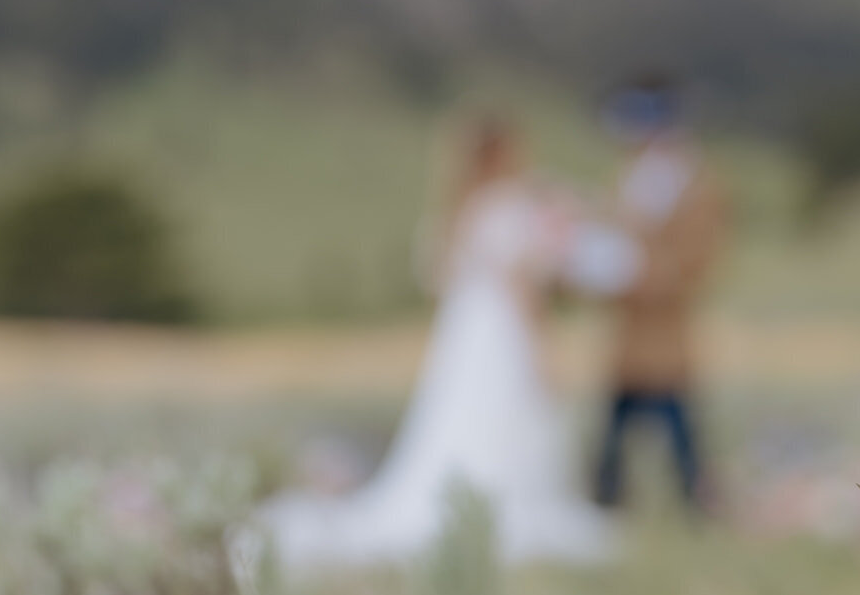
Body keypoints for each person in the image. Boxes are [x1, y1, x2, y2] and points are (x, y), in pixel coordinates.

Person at [260, 119, 631, 570]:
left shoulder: (463, 208)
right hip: (503, 335)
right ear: (501, 153)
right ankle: (500, 506)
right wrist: (541, 350)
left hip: (468, 336)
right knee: (507, 415)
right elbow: (521, 288)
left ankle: (467, 503)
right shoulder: (508, 205)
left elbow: (442, 278)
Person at [594, 72, 726, 511]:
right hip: (631, 332)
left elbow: (698, 257)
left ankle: (694, 499)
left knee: (676, 420)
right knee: (619, 421)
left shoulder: (696, 185)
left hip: (666, 330)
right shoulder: (626, 180)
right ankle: (609, 496)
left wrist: (649, 277)